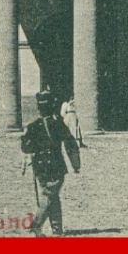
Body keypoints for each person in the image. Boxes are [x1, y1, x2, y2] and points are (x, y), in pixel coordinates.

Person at [21, 88, 82, 236]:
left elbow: (26, 147)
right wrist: (76, 165)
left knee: (51, 196)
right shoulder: (58, 124)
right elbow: (70, 145)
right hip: (56, 166)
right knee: (50, 196)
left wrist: (27, 161)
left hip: (40, 167)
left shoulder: (32, 126)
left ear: (39, 108)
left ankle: (57, 229)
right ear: (52, 106)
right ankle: (36, 225)